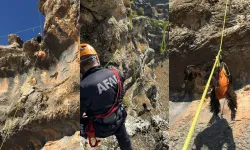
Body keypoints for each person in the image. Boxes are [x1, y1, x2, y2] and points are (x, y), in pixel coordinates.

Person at [80, 43, 132, 150]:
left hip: (100, 130)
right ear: (97, 59)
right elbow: (121, 93)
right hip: (119, 119)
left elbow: (79, 113)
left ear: (80, 68)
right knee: (124, 137)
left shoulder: (83, 87)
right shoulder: (115, 73)